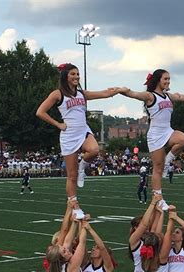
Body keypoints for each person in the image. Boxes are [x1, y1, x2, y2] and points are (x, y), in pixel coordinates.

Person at [36, 63, 126, 209]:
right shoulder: (58, 94)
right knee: (71, 176)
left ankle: (82, 166)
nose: (76, 77)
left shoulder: (82, 93)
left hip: (83, 130)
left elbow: (105, 93)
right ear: (65, 76)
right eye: (73, 74)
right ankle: (74, 204)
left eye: (77, 74)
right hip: (69, 135)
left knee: (94, 150)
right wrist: (58, 124)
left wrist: (120, 90)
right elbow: (40, 112)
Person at [121, 69, 184, 210]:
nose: (168, 81)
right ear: (157, 80)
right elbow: (134, 94)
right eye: (165, 79)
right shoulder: (150, 96)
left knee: (183, 139)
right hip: (155, 135)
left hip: (168, 131)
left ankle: (168, 161)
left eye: (169, 79)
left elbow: (182, 97)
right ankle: (158, 198)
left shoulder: (168, 96)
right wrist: (121, 90)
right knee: (157, 169)